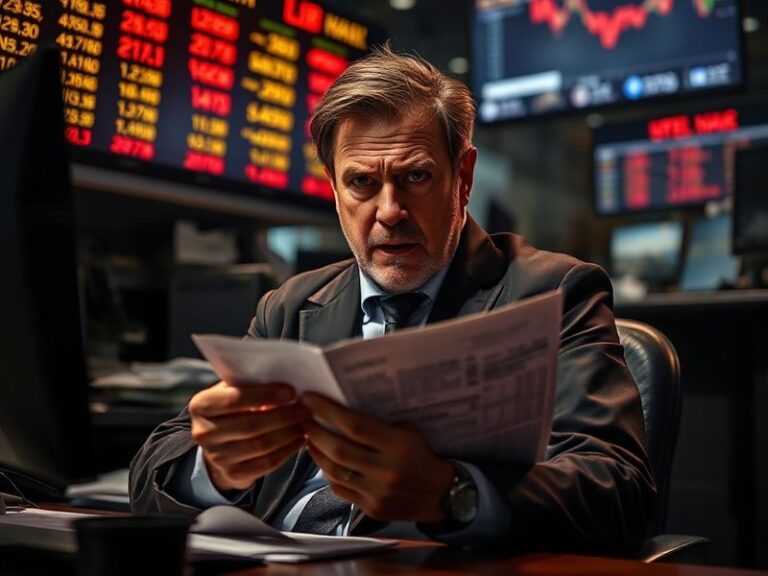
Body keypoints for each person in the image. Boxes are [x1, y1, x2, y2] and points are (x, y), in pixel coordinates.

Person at [130, 45, 655, 553]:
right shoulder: (289, 306)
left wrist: (452, 493)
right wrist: (215, 469)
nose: (389, 210)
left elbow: (618, 489)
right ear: (335, 192)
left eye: (416, 177)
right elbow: (154, 468)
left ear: (463, 177)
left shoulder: (552, 292)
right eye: (361, 182)